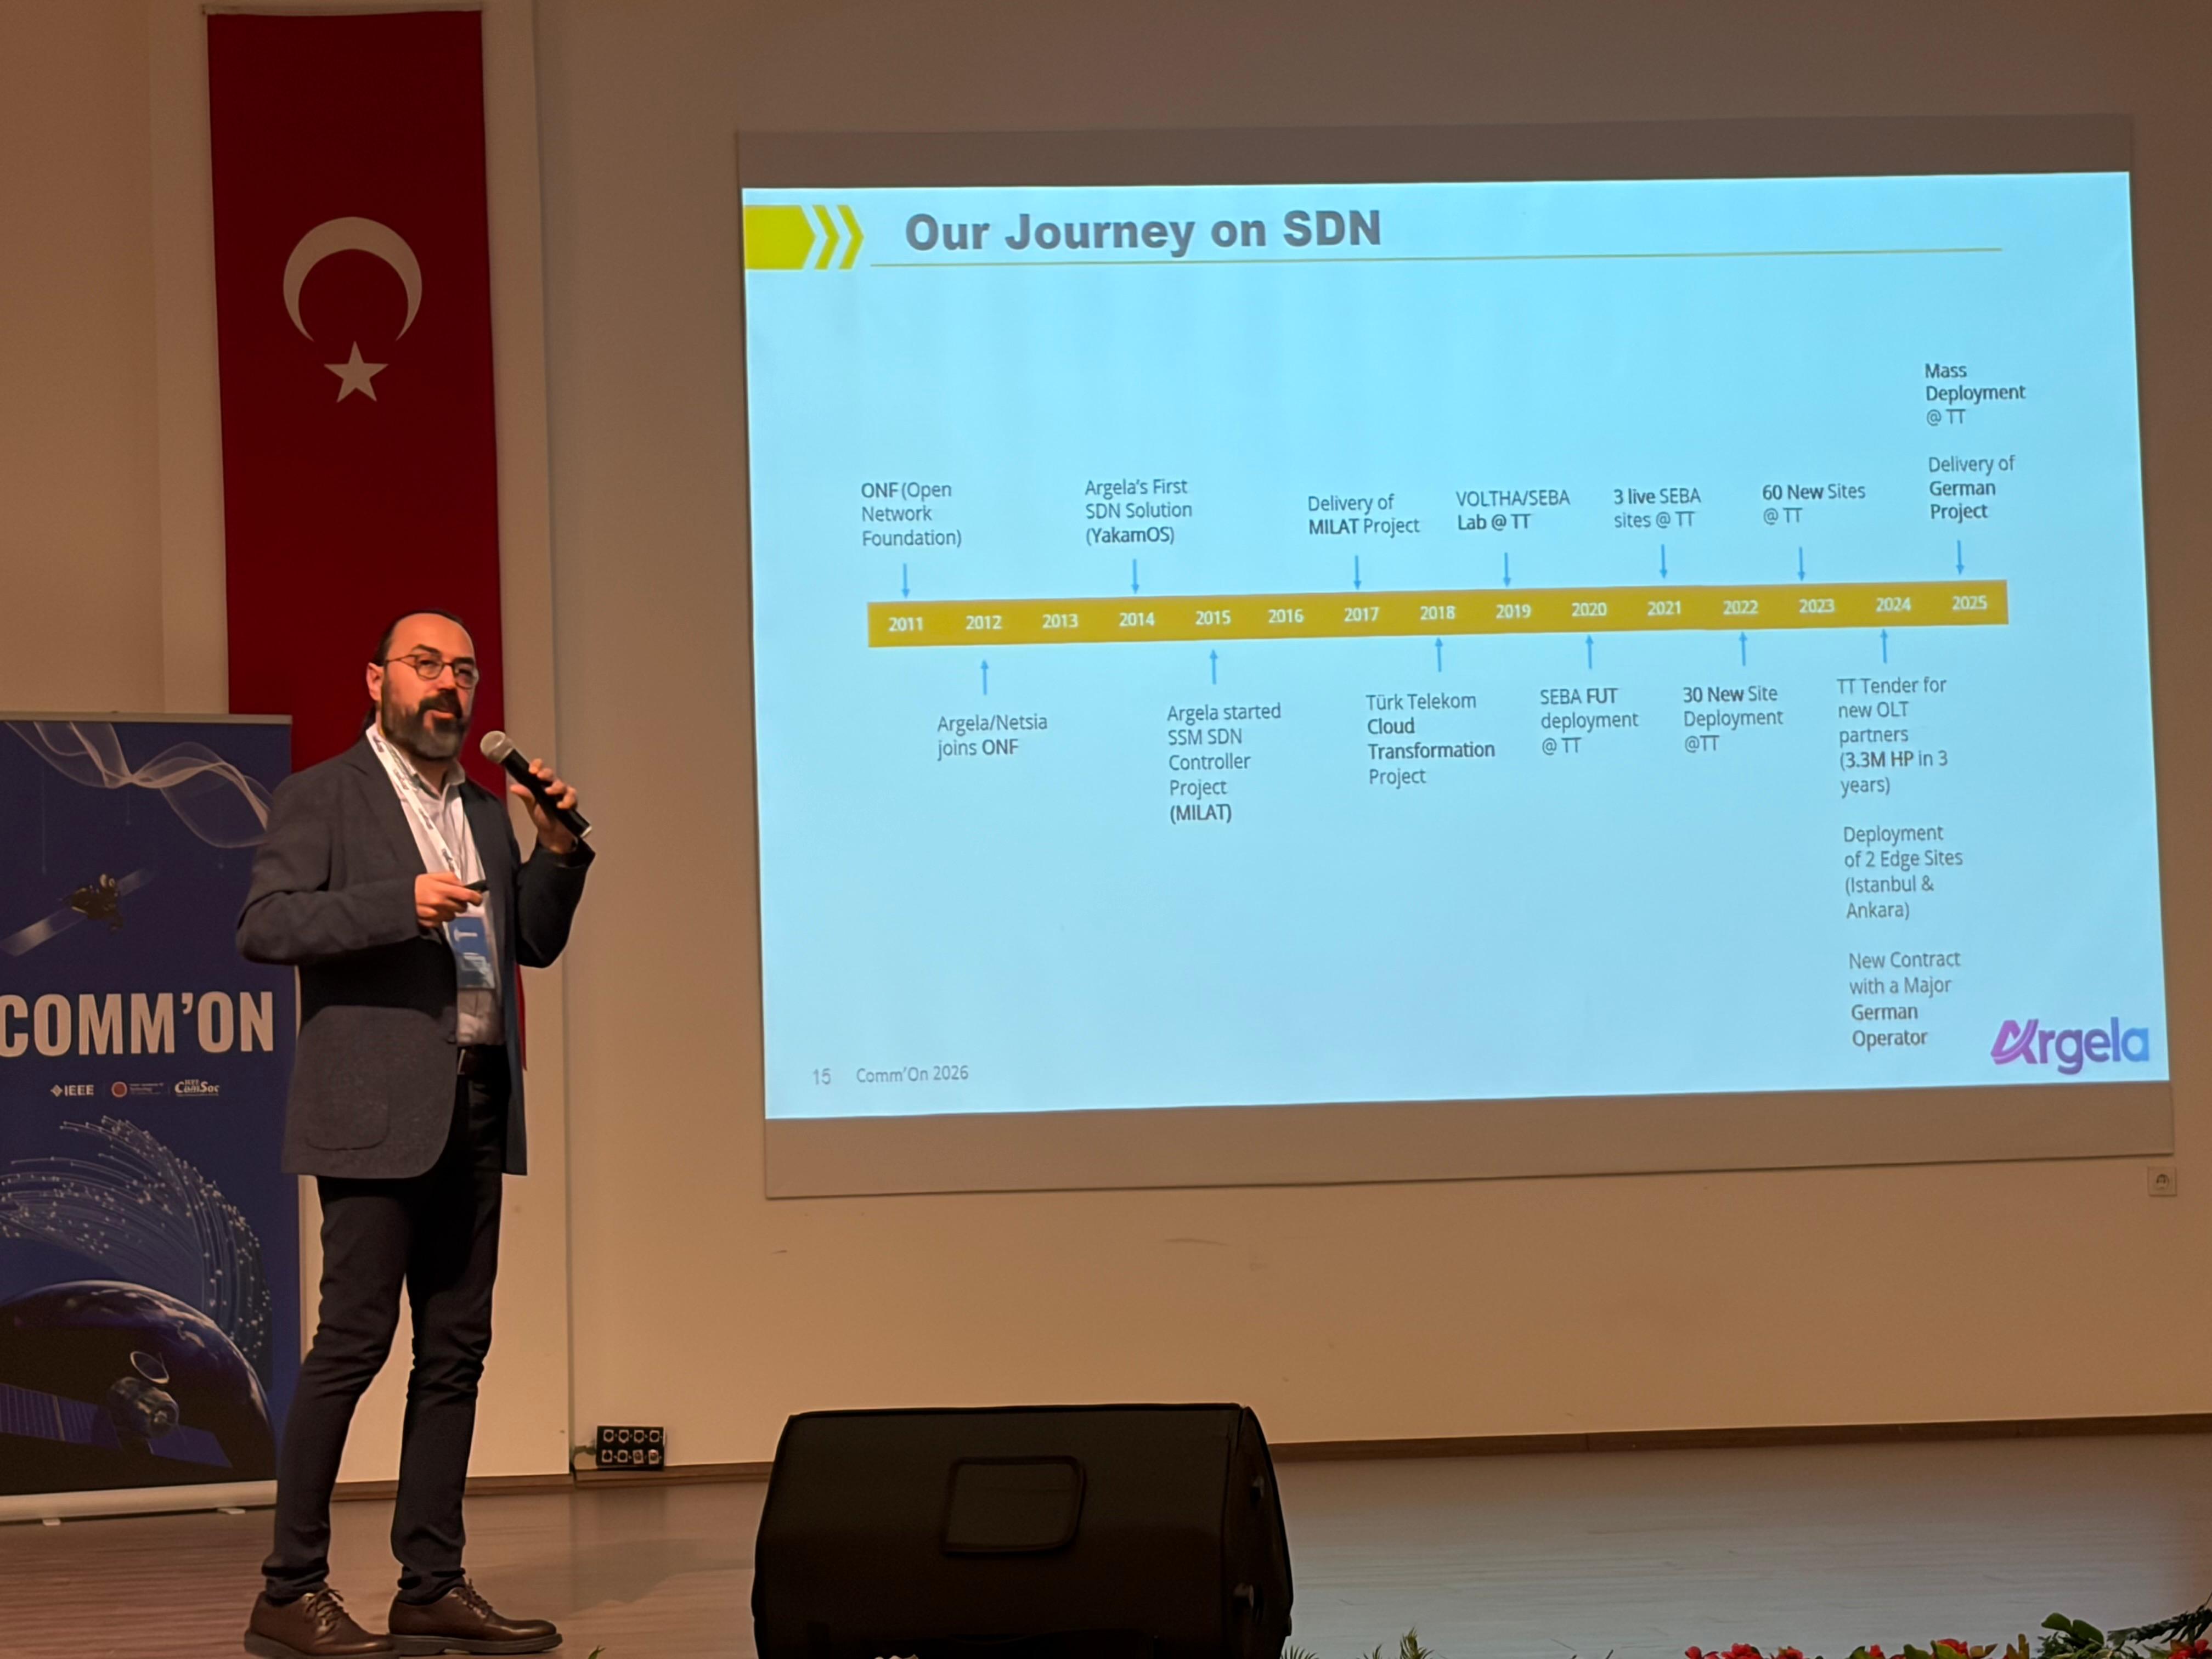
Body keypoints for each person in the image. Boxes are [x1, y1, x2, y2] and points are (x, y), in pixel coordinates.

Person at [239, 610, 592, 1658]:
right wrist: (401, 903)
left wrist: (556, 851)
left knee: (454, 1354)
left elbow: (531, 942)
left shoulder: (484, 810)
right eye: (426, 664)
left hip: (475, 1102)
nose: (448, 685)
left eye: (465, 671)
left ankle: (430, 1583)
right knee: (352, 1346)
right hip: (371, 1115)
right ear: (377, 680)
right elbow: (266, 925)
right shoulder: (324, 795)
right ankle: (289, 1590)